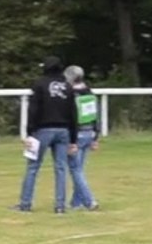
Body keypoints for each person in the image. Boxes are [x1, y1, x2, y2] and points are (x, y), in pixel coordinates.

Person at [12, 56, 79, 213]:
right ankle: (60, 206)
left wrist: (29, 132)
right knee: (61, 168)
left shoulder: (39, 84)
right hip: (64, 131)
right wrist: (73, 139)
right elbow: (73, 113)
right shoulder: (67, 87)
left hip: (43, 130)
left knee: (33, 167)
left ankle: (25, 203)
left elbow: (33, 110)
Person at [64, 65, 100, 210]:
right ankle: (76, 202)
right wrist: (95, 137)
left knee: (75, 169)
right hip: (89, 132)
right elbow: (95, 116)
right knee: (79, 169)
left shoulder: (71, 95)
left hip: (77, 134)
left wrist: (71, 140)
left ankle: (89, 201)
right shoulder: (89, 93)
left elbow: (72, 118)